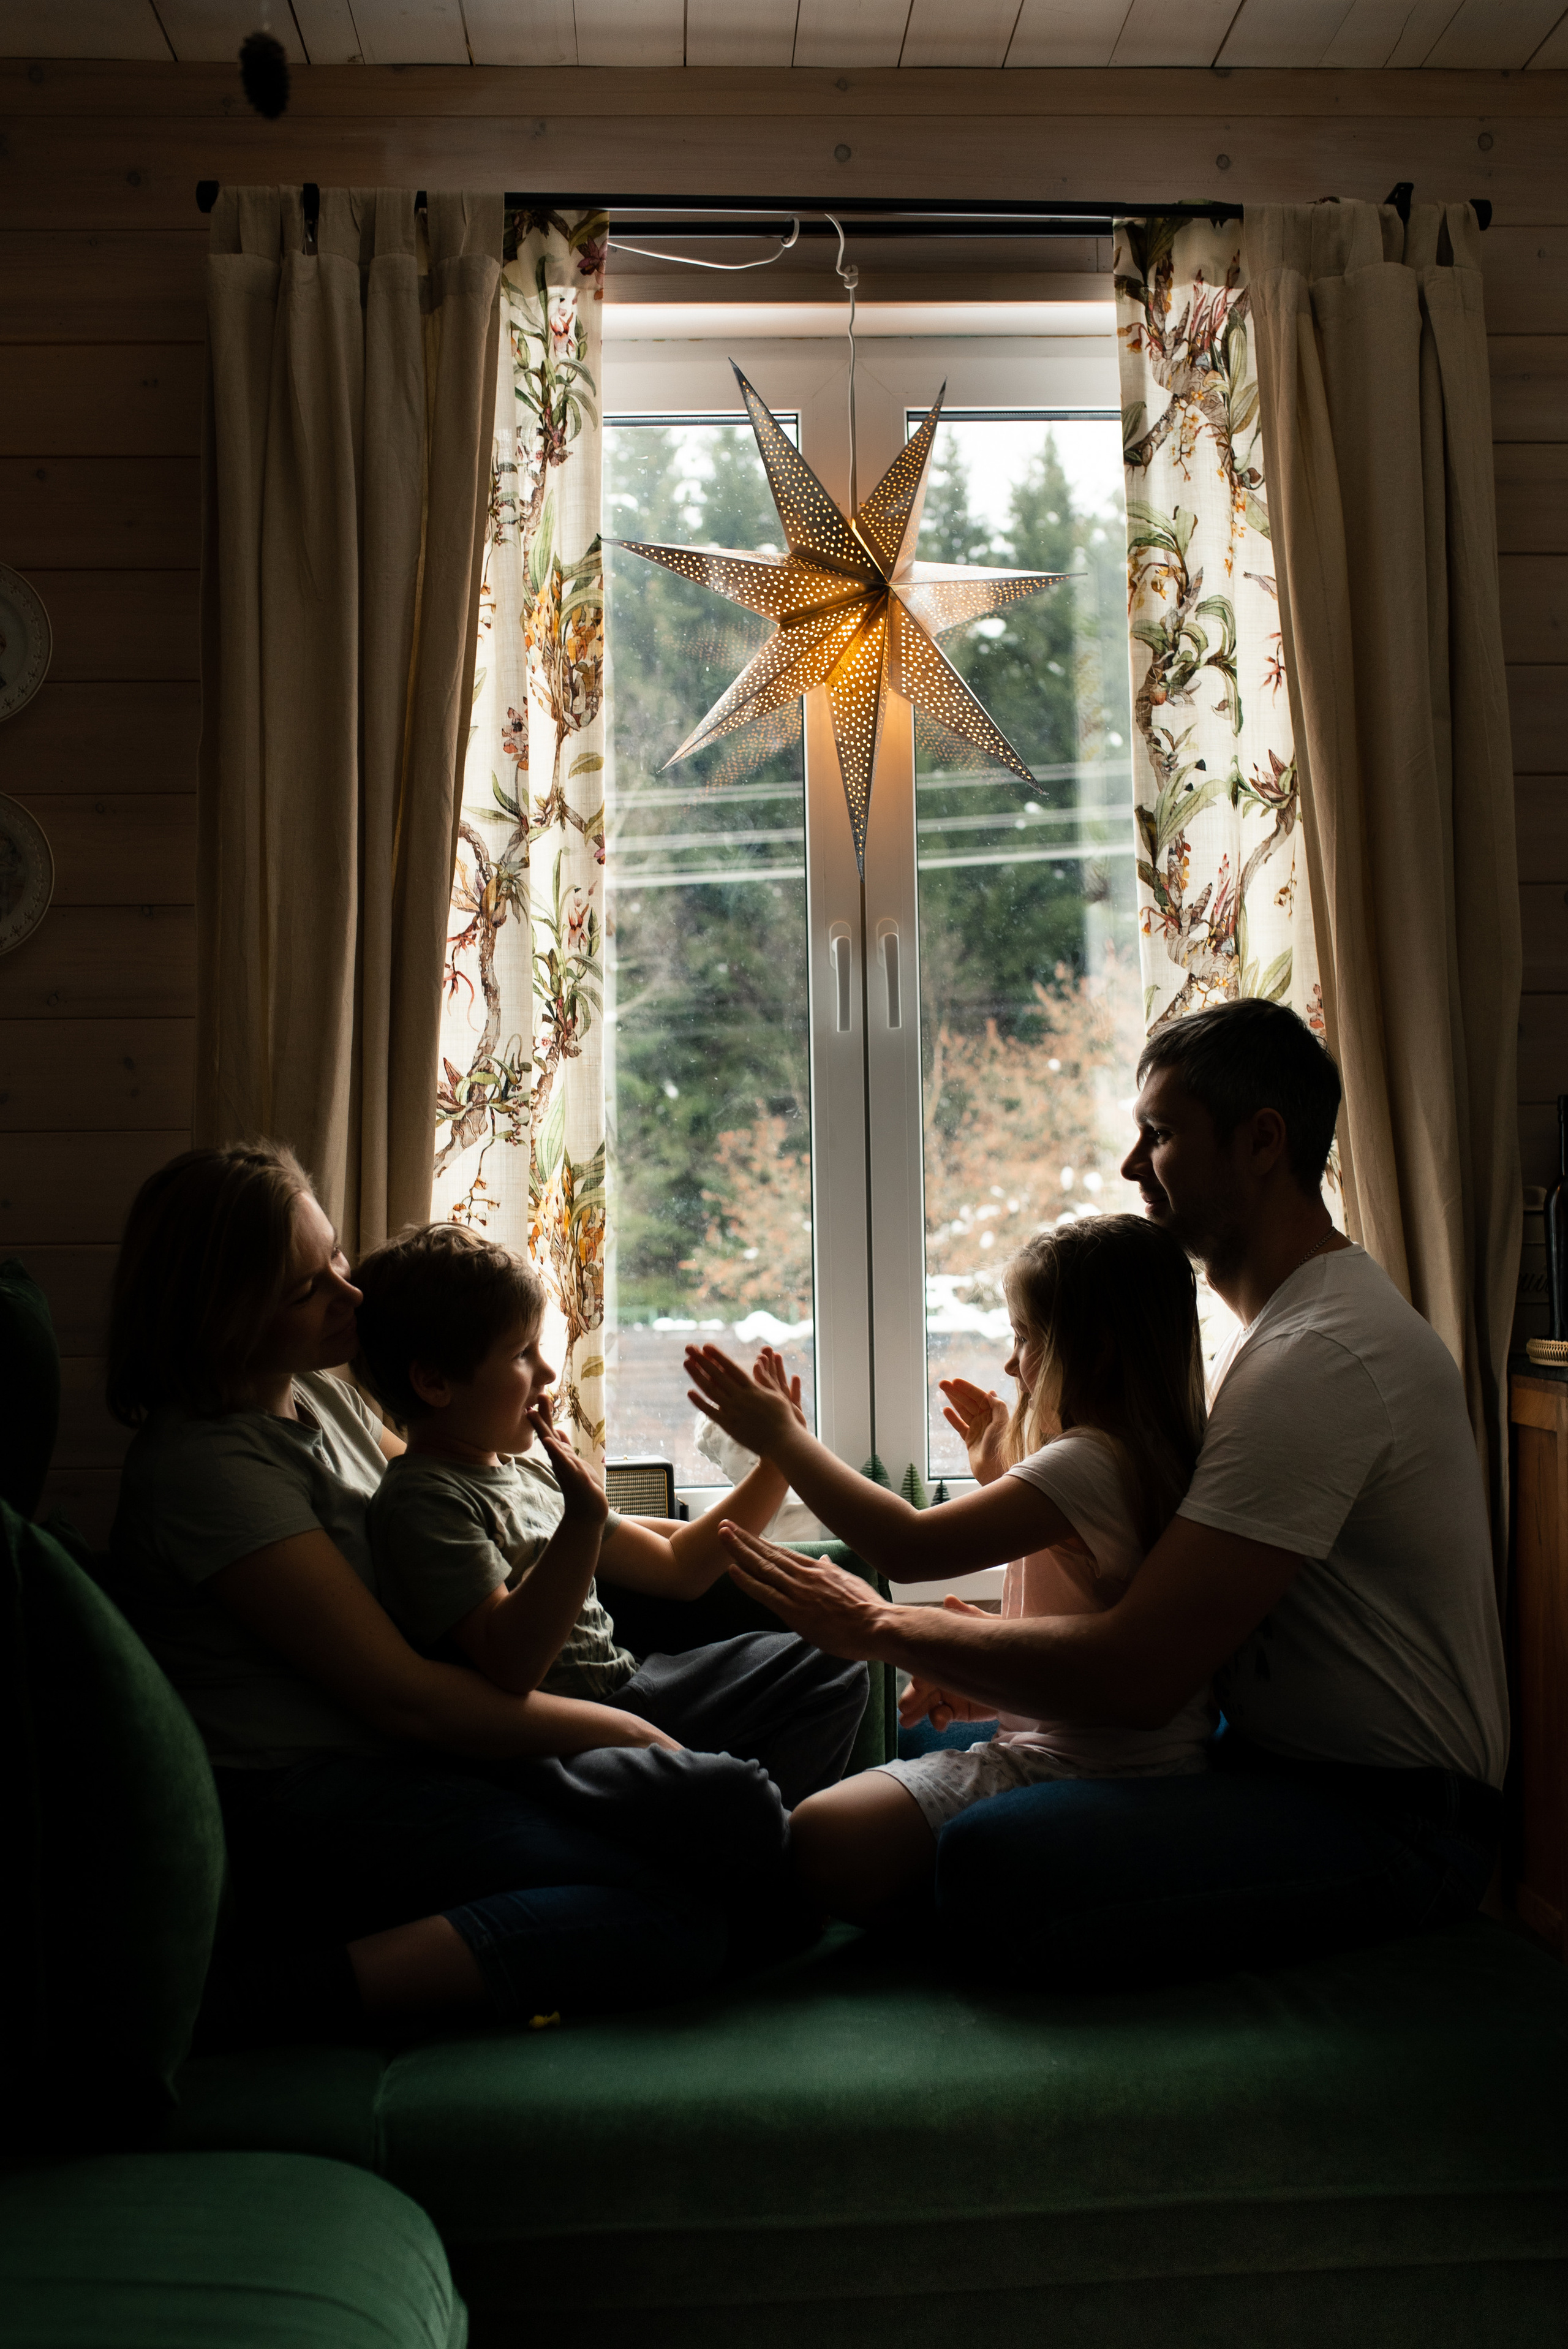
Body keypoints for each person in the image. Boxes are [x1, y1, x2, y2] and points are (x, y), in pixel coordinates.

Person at [687, 1000, 1510, 1988]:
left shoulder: (1317, 1355)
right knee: (916, 1746)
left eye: (1159, 1134)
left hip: (1389, 1817)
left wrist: (881, 1625)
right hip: (1272, 1767)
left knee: (994, 1860)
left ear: (1262, 1141)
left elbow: (1139, 1673)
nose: (1132, 1167)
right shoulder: (1282, 1342)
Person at [106, 1143, 790, 2045]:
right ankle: (271, 2000)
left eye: (338, 1259)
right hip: (311, 1797)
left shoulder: (321, 1396)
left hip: (414, 1758)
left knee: (721, 1854)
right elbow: (407, 1699)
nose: (351, 1298)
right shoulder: (209, 1470)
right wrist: (624, 1726)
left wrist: (725, 1497)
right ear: (225, 1315)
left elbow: (487, 1503)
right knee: (679, 1915)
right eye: (307, 1289)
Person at [679, 1216, 1212, 1926]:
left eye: (1025, 1339)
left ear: (1097, 1350)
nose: (1013, 1366)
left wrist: (784, 1439)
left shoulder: (1091, 1460)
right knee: (879, 1780)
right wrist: (1001, 1486)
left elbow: (905, 1546)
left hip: (1087, 1768)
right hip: (1137, 1756)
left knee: (818, 1837)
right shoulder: (1155, 1451)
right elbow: (1091, 1606)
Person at [352, 1220, 868, 1905]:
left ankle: (769, 1865)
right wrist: (583, 1523)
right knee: (736, 1795)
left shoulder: (524, 1472)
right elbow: (511, 1665)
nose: (544, 1372)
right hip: (553, 1748)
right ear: (434, 1382)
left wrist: (779, 1458)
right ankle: (767, 1881)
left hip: (632, 1688)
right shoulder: (423, 1503)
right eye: (520, 1356)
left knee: (835, 1657)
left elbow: (681, 1565)